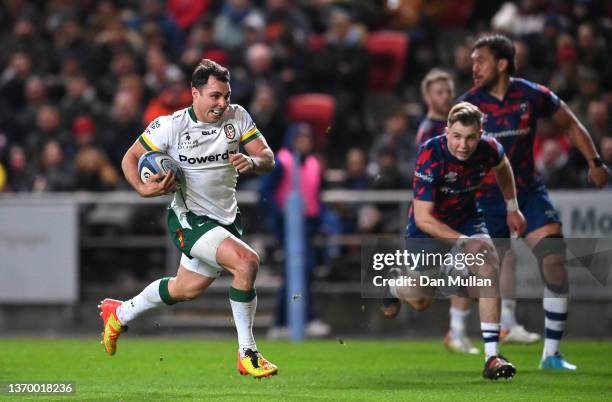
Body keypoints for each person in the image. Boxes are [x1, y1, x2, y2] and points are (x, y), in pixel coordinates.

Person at [98, 59, 278, 379]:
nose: (222, 103)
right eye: (214, 96)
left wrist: (253, 161)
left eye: (226, 95)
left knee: (186, 289)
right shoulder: (171, 126)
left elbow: (268, 158)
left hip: (226, 220)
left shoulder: (238, 117)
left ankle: (120, 312)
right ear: (194, 93)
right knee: (246, 262)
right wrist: (142, 188)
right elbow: (131, 157)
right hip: (189, 218)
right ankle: (248, 352)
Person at [459, 34, 609, 370]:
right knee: (488, 276)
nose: (474, 67)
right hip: (484, 198)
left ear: (501, 63)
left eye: (480, 60)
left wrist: (594, 161)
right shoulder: (468, 106)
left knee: (554, 260)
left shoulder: (532, 94)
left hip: (527, 191)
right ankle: (492, 355)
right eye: (472, 62)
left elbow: (569, 124)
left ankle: (551, 354)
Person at [388, 101, 526, 380]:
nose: (464, 145)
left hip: (466, 218)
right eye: (458, 136)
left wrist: (512, 206)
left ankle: (492, 357)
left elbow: (503, 166)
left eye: (471, 137)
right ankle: (393, 286)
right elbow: (425, 218)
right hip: (427, 229)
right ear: (447, 130)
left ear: (481, 133)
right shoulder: (430, 153)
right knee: (421, 300)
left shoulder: (489, 147)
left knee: (488, 265)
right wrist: (464, 242)